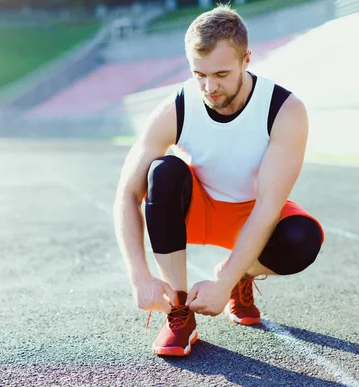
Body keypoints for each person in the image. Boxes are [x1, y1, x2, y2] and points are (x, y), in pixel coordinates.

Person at [112, 4, 325, 357]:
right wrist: (139, 275)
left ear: (247, 60)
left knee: (303, 239)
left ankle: (242, 274)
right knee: (162, 171)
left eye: (221, 74)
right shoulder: (176, 107)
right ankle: (178, 311)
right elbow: (127, 193)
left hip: (254, 211)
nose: (209, 87)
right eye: (199, 74)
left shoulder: (283, 110)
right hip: (198, 209)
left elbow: (269, 206)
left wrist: (225, 280)